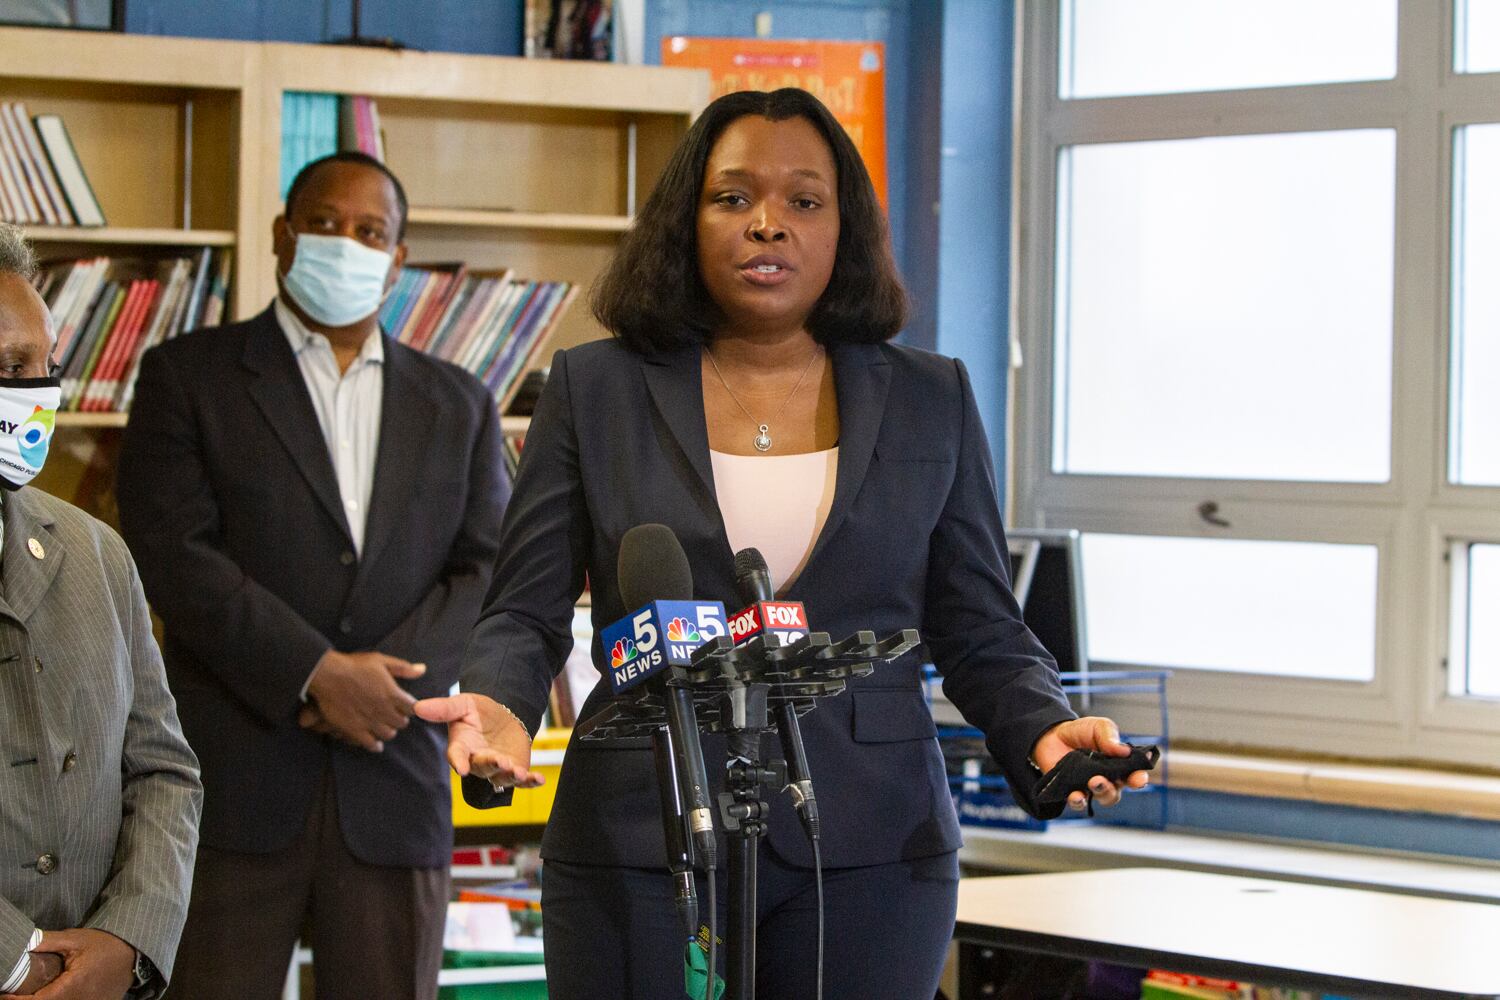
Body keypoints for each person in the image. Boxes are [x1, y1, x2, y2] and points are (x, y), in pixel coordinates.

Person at [415, 89, 1149, 999]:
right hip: (639, 835)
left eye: (804, 201)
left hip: (874, 848)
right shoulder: (593, 390)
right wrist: (496, 704)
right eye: (732, 198)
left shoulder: (934, 397)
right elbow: (523, 608)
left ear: (845, 228)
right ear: (688, 221)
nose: (768, 225)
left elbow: (980, 626)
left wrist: (1043, 727)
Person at [115, 152, 509, 1000]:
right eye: (326, 224)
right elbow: (171, 554)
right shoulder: (188, 376)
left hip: (395, 782)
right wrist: (317, 674)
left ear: (399, 260)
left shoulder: (461, 402)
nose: (347, 243)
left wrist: (384, 687)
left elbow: (487, 568)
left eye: (372, 232)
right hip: (231, 788)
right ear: (282, 235)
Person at [0, 223, 201, 1000]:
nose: (37, 394)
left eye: (46, 369)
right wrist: (23, 961)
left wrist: (129, 938)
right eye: (11, 367)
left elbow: (163, 770)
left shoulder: (95, 552)